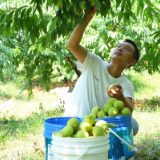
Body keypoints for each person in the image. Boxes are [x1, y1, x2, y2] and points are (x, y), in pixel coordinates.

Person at [63, 6, 140, 136]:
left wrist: (120, 97)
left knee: (134, 125)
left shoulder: (126, 84)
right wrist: (88, 16)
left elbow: (129, 113)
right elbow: (72, 45)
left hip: (94, 131)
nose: (120, 48)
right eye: (119, 46)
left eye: (126, 49)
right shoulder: (94, 62)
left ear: (132, 61)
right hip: (73, 124)